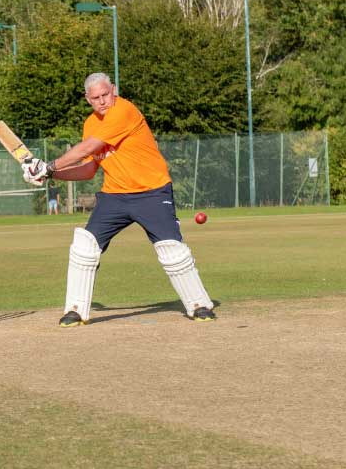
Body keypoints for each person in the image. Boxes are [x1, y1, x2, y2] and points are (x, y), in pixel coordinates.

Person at [22, 72, 217, 327]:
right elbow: (89, 169)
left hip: (152, 192)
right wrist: (51, 175)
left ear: (113, 89)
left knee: (172, 250)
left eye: (106, 94)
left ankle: (199, 304)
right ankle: (76, 310)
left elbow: (88, 149)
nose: (103, 101)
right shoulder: (90, 123)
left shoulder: (124, 110)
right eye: (96, 98)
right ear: (87, 99)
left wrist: (47, 166)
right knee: (84, 247)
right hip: (114, 196)